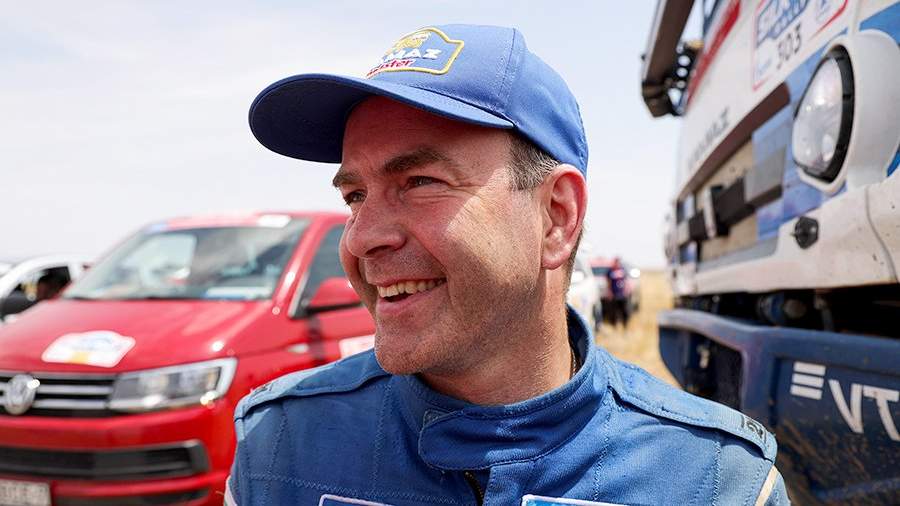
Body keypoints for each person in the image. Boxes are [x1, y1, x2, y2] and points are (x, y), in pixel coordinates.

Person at [227, 24, 788, 505]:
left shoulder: (715, 479)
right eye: (355, 196)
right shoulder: (279, 445)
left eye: (420, 182)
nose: (362, 237)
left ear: (556, 217)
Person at [606, 257, 630, 328]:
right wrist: (609, 292)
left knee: (624, 310)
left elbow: (626, 281)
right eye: (616, 262)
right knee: (614, 311)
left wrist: (626, 290)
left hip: (622, 294)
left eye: (618, 262)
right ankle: (614, 325)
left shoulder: (623, 270)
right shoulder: (610, 271)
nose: (617, 264)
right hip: (614, 294)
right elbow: (609, 282)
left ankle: (625, 324)